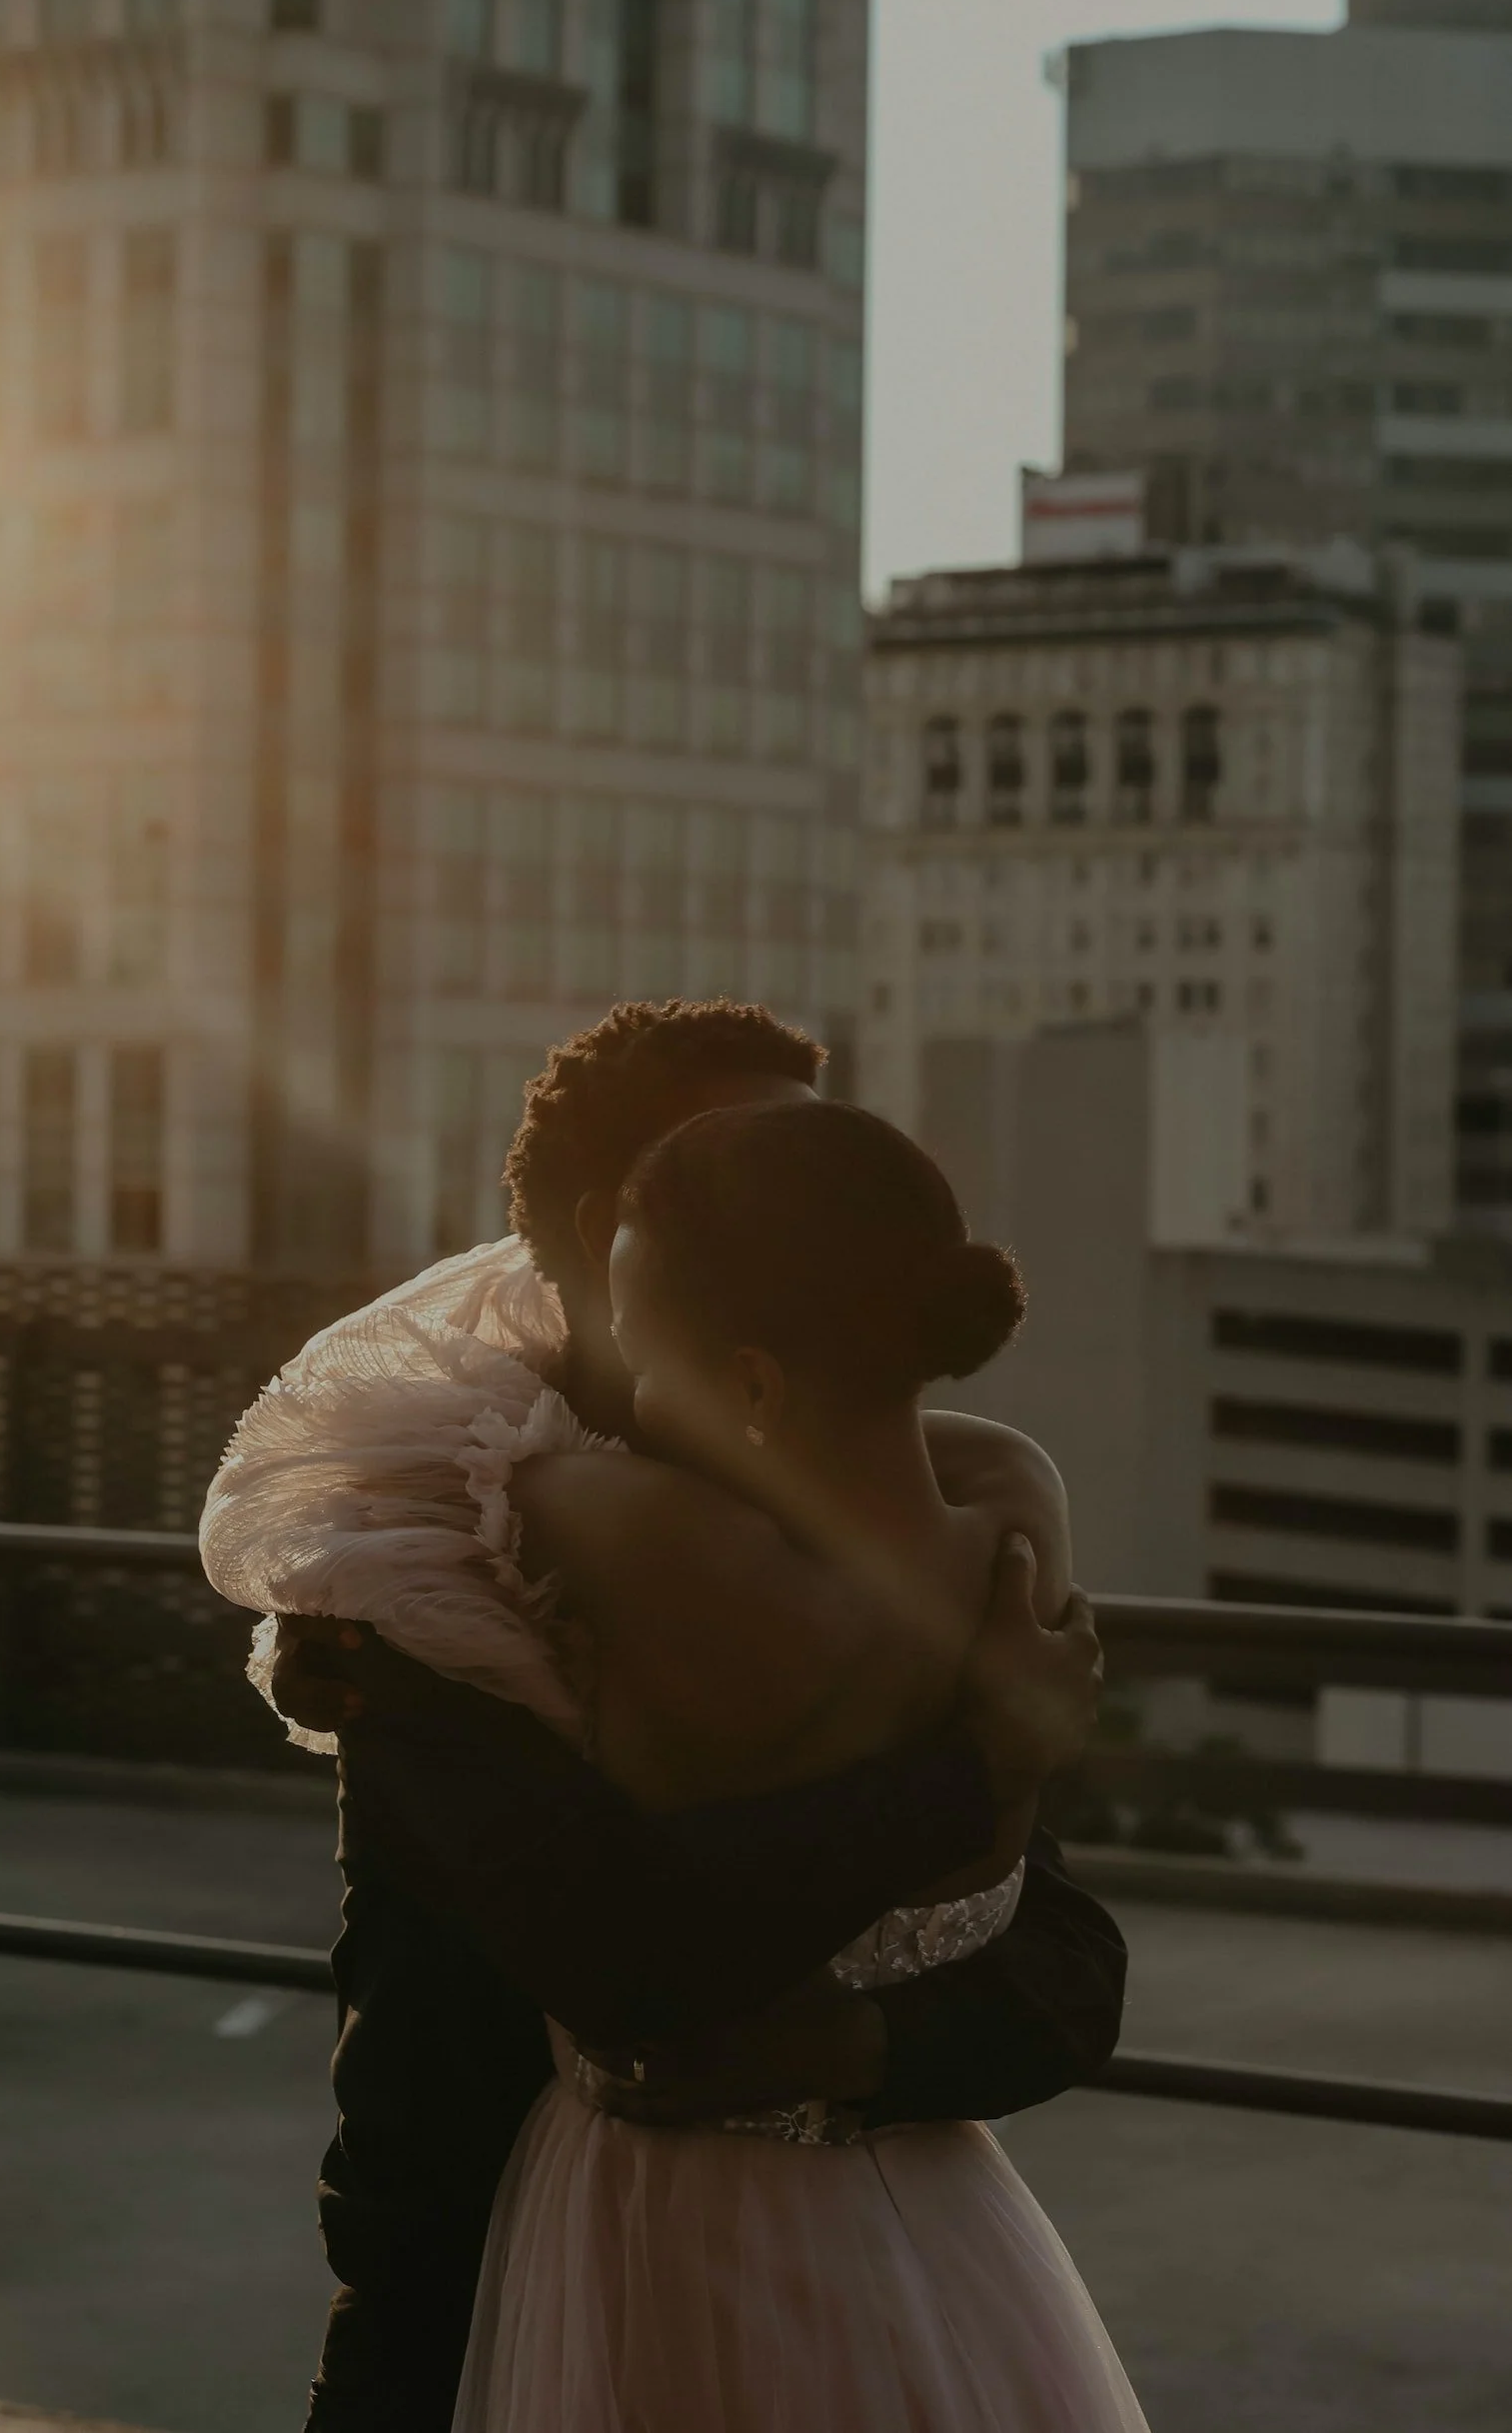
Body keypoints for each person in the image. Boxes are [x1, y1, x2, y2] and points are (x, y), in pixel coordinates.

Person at [198, 1002, 1122, 2432]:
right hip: (468, 2297)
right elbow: (621, 1949)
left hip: (860, 2257)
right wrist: (977, 1762)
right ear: (607, 1222)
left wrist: (860, 2054)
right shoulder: (429, 1552)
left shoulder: (917, 1501)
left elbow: (1056, 1953)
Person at [453, 1096, 1148, 2431]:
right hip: (929, 2195)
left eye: (647, 1367)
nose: (630, 1408)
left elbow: (457, 1457)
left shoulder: (634, 1529)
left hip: (675, 2201)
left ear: (755, 1386)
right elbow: (878, 1465)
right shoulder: (1012, 1502)